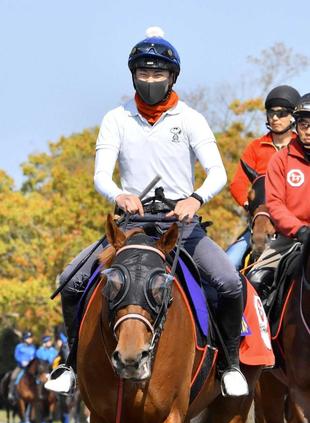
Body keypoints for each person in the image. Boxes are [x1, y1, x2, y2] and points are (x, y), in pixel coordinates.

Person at [45, 26, 248, 397]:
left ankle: (229, 365)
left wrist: (196, 199)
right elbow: (101, 175)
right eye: (143, 73)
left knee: (230, 283)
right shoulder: (116, 119)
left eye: (158, 74)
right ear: (133, 75)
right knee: (70, 279)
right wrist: (119, 194)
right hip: (132, 227)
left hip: (180, 226)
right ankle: (71, 364)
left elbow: (217, 172)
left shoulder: (190, 118)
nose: (150, 80)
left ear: (173, 77)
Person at [227, 85, 301, 269]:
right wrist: (252, 206)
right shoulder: (256, 147)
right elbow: (238, 183)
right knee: (230, 262)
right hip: (260, 221)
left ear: (293, 117)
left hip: (294, 222)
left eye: (282, 113)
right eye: (271, 112)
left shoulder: (301, 147)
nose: (275, 118)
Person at [247, 93, 310, 299]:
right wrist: (299, 230)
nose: (308, 131)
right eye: (303, 125)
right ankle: (257, 330)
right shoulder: (281, 159)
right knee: (255, 278)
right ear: (296, 126)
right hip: (289, 238)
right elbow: (275, 204)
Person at [8, 331, 36, 401]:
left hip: (30, 368)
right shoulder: (19, 347)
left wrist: (31, 361)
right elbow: (16, 356)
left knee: (39, 378)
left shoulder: (33, 347)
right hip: (21, 366)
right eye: (28, 338)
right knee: (13, 376)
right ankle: (11, 393)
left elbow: (34, 356)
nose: (30, 339)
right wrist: (21, 362)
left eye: (31, 338)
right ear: (25, 339)